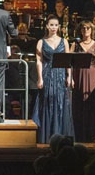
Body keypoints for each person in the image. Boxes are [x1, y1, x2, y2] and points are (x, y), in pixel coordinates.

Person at [32, 14, 74, 143]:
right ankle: (47, 137)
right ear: (47, 26)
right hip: (47, 74)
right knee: (48, 102)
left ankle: (61, 137)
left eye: (56, 25)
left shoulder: (64, 41)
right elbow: (39, 61)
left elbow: (68, 61)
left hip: (61, 74)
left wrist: (70, 76)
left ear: (59, 26)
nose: (54, 27)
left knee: (61, 103)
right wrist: (40, 78)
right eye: (51, 25)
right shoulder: (41, 42)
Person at [70, 21, 95, 142]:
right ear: (80, 30)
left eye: (88, 28)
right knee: (79, 104)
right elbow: (69, 63)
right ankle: (80, 135)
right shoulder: (75, 44)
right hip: (79, 76)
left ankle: (93, 134)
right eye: (83, 28)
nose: (85, 30)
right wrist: (70, 78)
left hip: (93, 75)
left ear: (91, 30)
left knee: (92, 104)